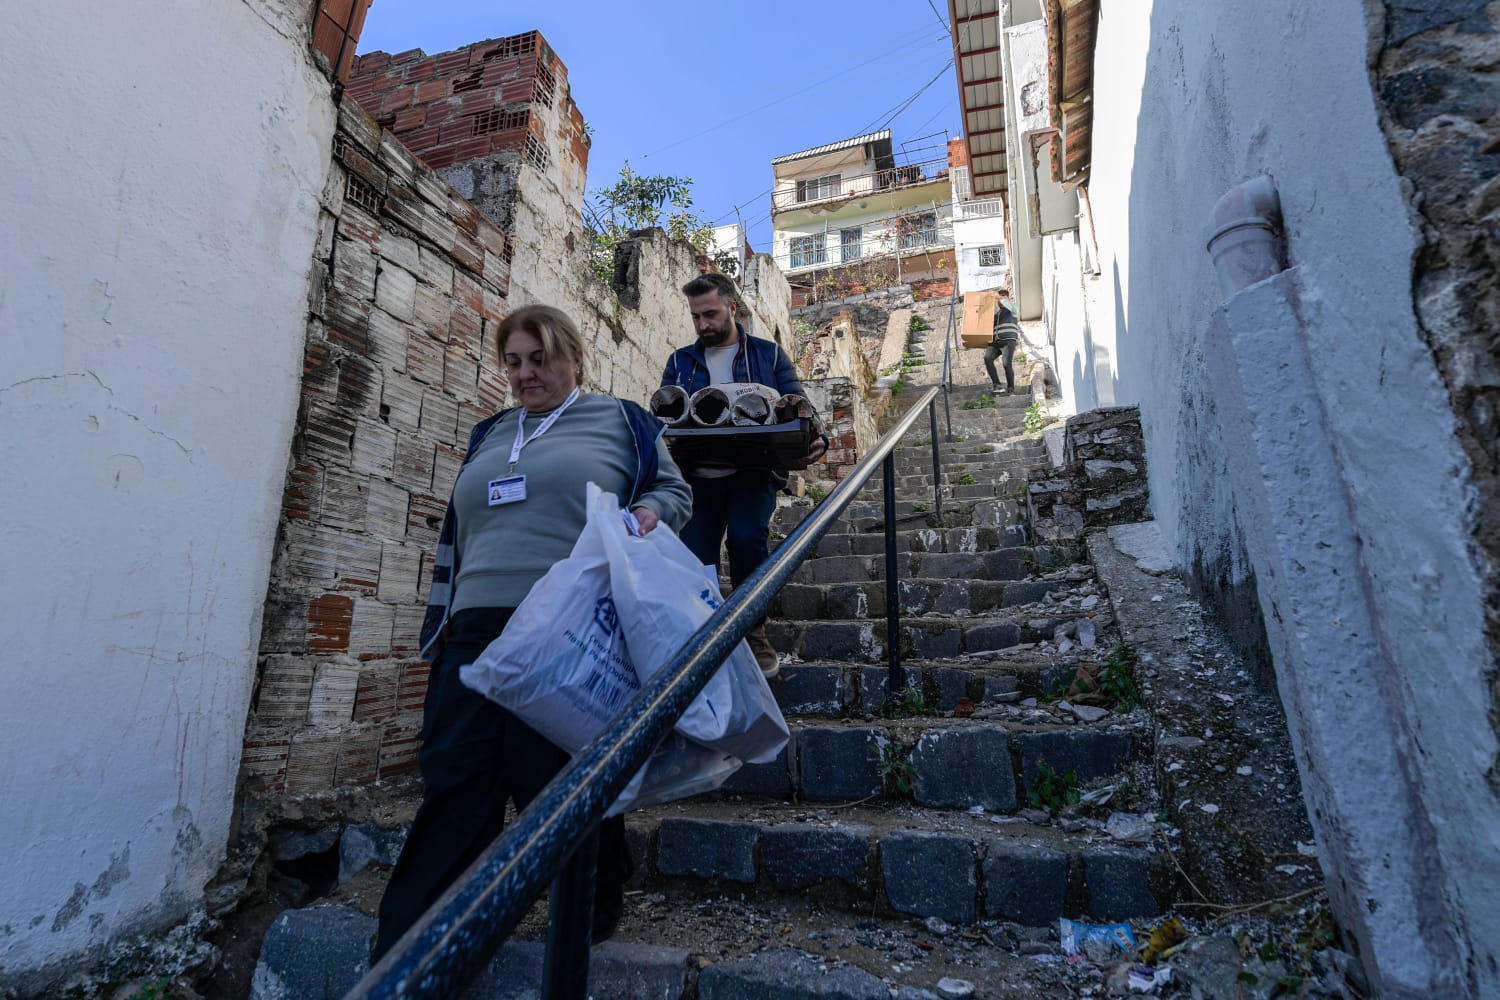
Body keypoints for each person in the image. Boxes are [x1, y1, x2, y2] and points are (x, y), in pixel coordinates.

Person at [373, 304, 692, 961]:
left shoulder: (621, 421)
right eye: (513, 362)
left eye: (538, 358)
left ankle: (595, 899)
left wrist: (647, 514)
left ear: (574, 357)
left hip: (566, 626)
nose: (524, 373)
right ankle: (407, 948)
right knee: (456, 778)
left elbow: (672, 490)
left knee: (558, 775)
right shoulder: (491, 432)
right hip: (474, 628)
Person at [660, 273, 827, 679]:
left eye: (711, 314)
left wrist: (816, 433)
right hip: (697, 474)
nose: (703, 325)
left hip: (754, 468)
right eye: (696, 317)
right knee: (696, 555)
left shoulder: (769, 356)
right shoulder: (679, 362)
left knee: (746, 537)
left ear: (732, 308)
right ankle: (705, 636)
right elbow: (666, 413)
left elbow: (797, 402)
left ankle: (752, 629)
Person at [984, 292, 1023, 394]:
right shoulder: (996, 315)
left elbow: (1009, 305)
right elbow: (986, 330)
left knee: (1006, 363)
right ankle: (997, 385)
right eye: (999, 300)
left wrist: (999, 297)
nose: (1000, 301)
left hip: (1008, 340)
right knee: (987, 358)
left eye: (1003, 298)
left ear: (1008, 299)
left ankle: (1011, 389)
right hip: (996, 342)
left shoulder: (1013, 309)